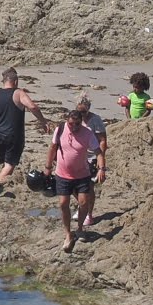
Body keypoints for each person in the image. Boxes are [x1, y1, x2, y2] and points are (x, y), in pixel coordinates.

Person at [0, 68, 51, 201]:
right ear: (15, 81)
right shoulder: (18, 93)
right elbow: (33, 107)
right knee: (10, 164)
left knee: (6, 163)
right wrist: (43, 122)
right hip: (13, 135)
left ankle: (1, 183)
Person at [45, 104, 102, 254]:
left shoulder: (87, 133)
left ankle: (80, 228)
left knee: (83, 202)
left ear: (81, 122)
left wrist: (102, 169)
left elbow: (98, 151)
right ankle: (68, 233)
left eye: (77, 124)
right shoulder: (60, 129)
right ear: (67, 121)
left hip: (82, 174)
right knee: (63, 203)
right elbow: (52, 148)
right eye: (71, 124)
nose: (74, 127)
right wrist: (48, 167)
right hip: (62, 174)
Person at [74, 95, 112, 227]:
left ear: (88, 109)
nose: (82, 115)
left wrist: (100, 160)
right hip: (78, 156)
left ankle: (89, 214)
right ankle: (81, 206)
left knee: (88, 187)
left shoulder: (96, 120)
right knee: (74, 186)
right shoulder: (75, 119)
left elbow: (103, 140)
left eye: (84, 112)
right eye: (79, 111)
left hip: (92, 157)